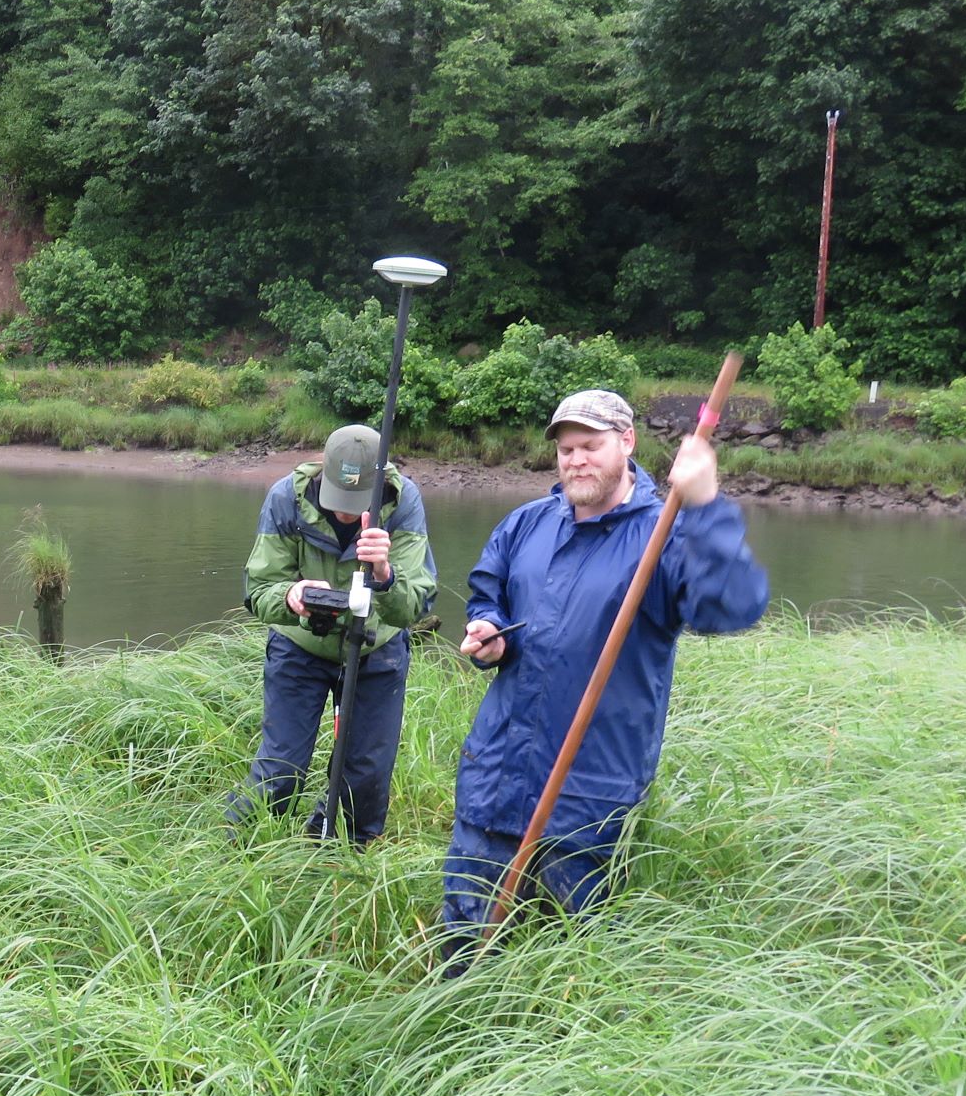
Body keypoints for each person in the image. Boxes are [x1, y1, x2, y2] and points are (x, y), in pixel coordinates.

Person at [437, 389, 770, 977]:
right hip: (497, 777)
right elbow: (488, 590)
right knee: (465, 948)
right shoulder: (526, 525)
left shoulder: (664, 535)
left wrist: (707, 504)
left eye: (590, 446)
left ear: (627, 444)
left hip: (590, 796)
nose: (575, 460)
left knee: (577, 964)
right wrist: (489, 631)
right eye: (566, 449)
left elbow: (733, 608)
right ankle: (456, 1035)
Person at [229, 424, 438, 843]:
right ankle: (238, 848)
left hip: (377, 650)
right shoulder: (285, 497)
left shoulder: (404, 502)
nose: (345, 513)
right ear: (321, 472)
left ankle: (336, 855)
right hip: (300, 647)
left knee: (365, 775)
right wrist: (291, 596)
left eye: (357, 504)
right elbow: (258, 590)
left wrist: (385, 574)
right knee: (282, 768)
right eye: (338, 501)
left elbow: (415, 604)